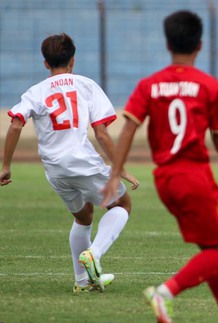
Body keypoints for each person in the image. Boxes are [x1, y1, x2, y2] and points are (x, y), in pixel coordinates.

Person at [101, 11, 218, 323]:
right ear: (200, 45)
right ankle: (164, 293)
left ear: (167, 44)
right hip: (194, 178)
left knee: (213, 247)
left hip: (166, 179)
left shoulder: (149, 86)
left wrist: (114, 174)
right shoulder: (209, 86)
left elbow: (128, 128)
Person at [0, 33, 139, 293]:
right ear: (72, 60)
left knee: (84, 217)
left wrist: (6, 165)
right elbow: (101, 132)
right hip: (82, 162)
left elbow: (15, 125)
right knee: (122, 204)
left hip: (54, 169)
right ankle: (94, 255)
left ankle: (82, 282)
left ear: (45, 63)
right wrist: (120, 169)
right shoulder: (85, 85)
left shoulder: (35, 92)